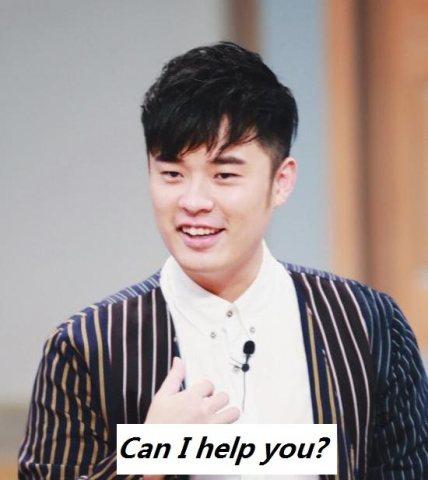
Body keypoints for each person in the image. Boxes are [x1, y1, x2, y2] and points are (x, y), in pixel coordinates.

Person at [18, 41, 428, 480]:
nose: (194, 201)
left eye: (224, 175)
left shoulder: (367, 324)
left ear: (281, 181)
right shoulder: (86, 346)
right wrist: (146, 458)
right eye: (172, 174)